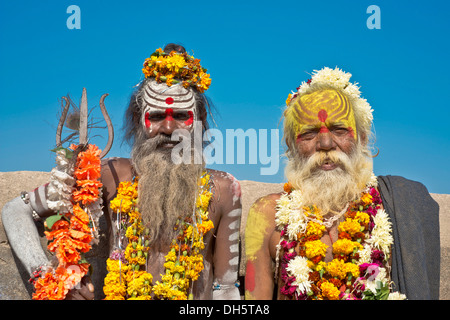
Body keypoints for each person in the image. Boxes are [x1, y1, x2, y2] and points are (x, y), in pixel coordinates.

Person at [1, 43, 242, 300]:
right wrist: (47, 280)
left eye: (182, 116)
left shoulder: (224, 189)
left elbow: (225, 287)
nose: (169, 128)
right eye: (157, 116)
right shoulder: (111, 175)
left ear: (200, 118)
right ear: (139, 118)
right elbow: (16, 209)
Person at [244, 67, 440, 300]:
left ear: (362, 138)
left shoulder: (395, 204)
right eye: (309, 133)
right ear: (291, 145)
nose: (326, 143)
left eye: (339, 130)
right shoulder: (266, 214)